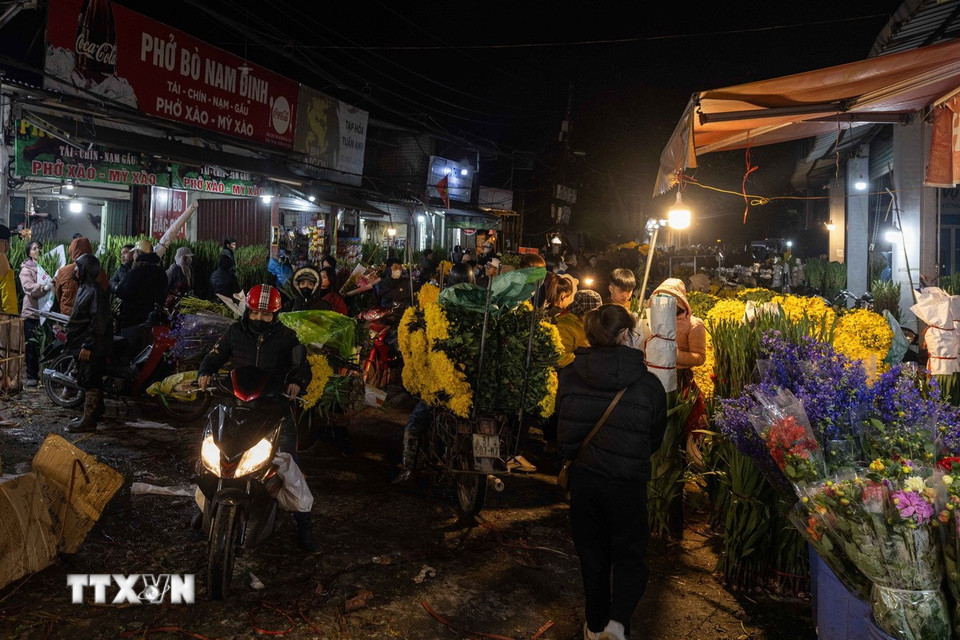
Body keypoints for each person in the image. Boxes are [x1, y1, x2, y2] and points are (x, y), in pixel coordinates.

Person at [557, 304, 667, 640]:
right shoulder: (649, 385)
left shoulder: (569, 376)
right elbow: (655, 437)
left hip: (585, 481)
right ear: (625, 335)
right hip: (626, 484)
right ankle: (618, 625)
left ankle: (594, 625)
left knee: (592, 556)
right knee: (629, 555)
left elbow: (558, 429)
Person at [197, 285, 317, 551]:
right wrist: (205, 372)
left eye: (266, 315)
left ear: (276, 314)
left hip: (273, 408)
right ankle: (204, 508)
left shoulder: (287, 337)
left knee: (288, 467)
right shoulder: (234, 332)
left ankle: (303, 522)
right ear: (247, 310)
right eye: (255, 313)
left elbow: (302, 366)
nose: (260, 319)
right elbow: (214, 357)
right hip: (236, 406)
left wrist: (297, 381)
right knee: (210, 459)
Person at [392, 262, 475, 485]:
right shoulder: (482, 305)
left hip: (443, 386)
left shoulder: (440, 306)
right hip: (473, 385)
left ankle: (408, 469)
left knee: (414, 423)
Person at [64, 254, 113, 433]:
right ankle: (97, 411)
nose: (75, 271)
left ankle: (89, 420)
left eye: (78, 267)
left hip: (92, 345)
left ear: (85, 270)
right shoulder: (85, 288)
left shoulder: (94, 291)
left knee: (90, 379)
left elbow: (97, 321)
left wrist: (88, 345)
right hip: (84, 342)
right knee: (89, 378)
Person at [19, 241, 53, 386]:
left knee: (46, 344)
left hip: (45, 312)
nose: (38, 250)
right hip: (31, 312)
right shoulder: (26, 269)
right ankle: (32, 375)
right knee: (32, 345)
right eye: (34, 249)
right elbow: (28, 287)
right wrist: (44, 287)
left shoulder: (46, 265)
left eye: (39, 247)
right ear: (29, 253)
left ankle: (47, 374)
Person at [115, 239, 167, 332]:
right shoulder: (160, 272)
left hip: (133, 322)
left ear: (138, 253)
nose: (133, 255)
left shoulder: (136, 272)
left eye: (134, 252)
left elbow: (121, 291)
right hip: (153, 321)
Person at [54, 235, 109, 316]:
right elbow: (105, 293)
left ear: (71, 251)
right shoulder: (100, 272)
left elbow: (58, 295)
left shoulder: (63, 271)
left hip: (67, 316)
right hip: (89, 317)